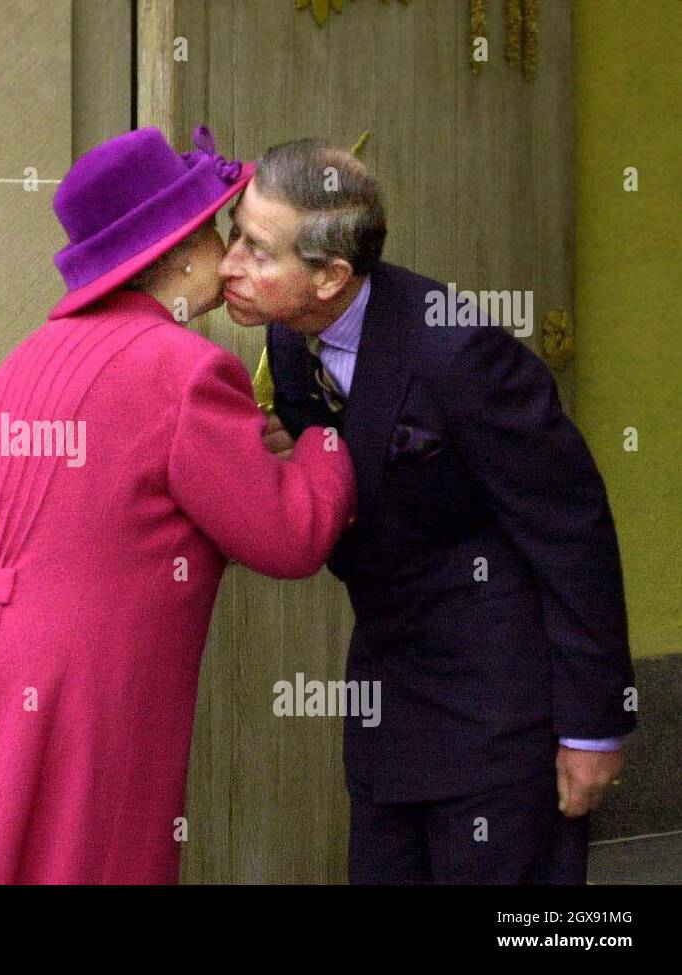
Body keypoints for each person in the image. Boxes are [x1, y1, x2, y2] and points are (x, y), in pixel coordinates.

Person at [0, 127, 356, 884]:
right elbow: (289, 535)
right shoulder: (185, 366)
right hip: (73, 685)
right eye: (216, 233)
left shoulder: (32, 353)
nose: (230, 252)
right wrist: (325, 444)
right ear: (177, 251)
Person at [228, 139, 635, 884]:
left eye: (257, 249)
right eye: (235, 234)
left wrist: (593, 726)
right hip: (389, 697)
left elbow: (573, 529)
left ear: (331, 276)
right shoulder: (289, 343)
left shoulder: (458, 353)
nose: (230, 265)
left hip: (497, 706)